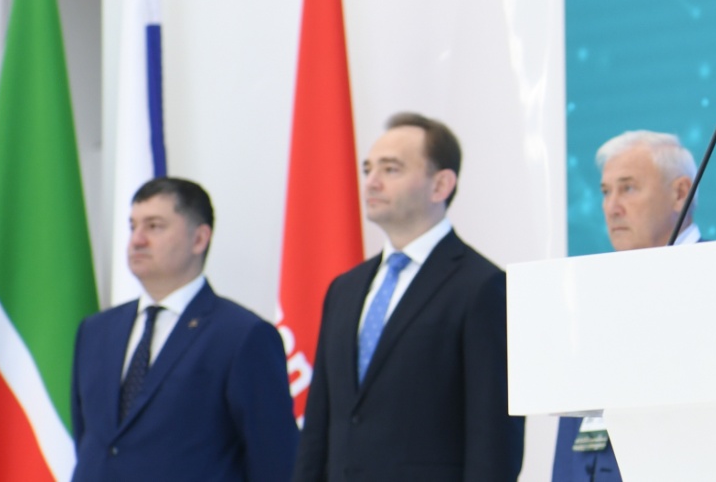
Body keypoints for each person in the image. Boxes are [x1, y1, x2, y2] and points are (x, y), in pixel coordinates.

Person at [294, 112, 523, 482]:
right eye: (368, 169)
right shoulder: (344, 289)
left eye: (391, 169)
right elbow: (319, 427)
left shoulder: (481, 286)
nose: (371, 182)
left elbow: (494, 439)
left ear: (440, 185)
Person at [71, 177, 297, 482]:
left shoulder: (242, 335)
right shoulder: (96, 331)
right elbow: (90, 441)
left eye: (154, 226)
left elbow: (274, 460)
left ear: (199, 239)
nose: (137, 240)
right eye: (133, 226)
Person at [552, 131, 698, 482]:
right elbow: (575, 423)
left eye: (628, 188)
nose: (611, 207)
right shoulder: (589, 294)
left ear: (680, 193)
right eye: (606, 192)